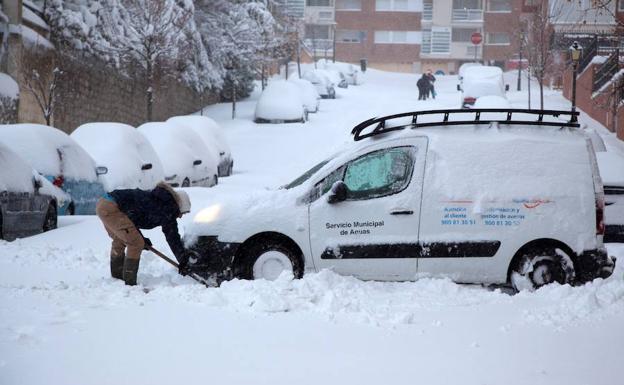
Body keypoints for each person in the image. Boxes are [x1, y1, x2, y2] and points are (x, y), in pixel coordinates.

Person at [95, 182, 196, 286]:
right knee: (136, 243)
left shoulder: (160, 201)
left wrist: (141, 237)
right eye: (183, 213)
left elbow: (133, 216)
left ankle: (117, 276)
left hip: (105, 203)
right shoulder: (168, 209)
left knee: (120, 239)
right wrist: (183, 260)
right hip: (113, 207)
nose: (181, 217)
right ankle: (130, 283)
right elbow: (172, 236)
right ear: (179, 206)